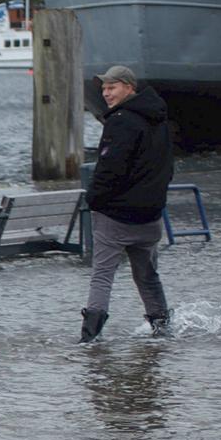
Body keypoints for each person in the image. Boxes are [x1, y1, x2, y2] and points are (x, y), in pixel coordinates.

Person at [80, 64, 173, 342]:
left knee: (102, 276)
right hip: (151, 216)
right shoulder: (160, 120)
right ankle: (162, 328)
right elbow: (166, 168)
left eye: (113, 87)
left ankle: (88, 340)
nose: (106, 94)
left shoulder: (120, 120)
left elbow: (110, 167)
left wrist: (93, 198)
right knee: (147, 276)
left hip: (116, 217)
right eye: (104, 88)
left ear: (129, 88)